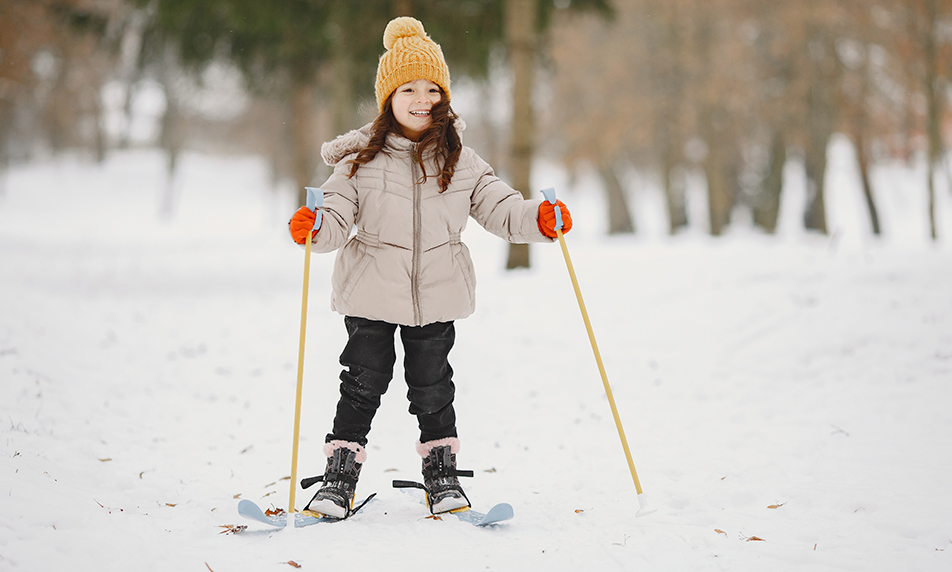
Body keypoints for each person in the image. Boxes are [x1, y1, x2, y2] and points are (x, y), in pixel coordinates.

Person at [287, 16, 572, 519]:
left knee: (433, 385)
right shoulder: (358, 163)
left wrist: (540, 220)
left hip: (438, 292)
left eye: (432, 89)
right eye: (409, 88)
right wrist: (314, 225)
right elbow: (333, 220)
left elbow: (502, 210)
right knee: (362, 381)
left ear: (444, 97)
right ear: (388, 98)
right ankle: (339, 476)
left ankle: (440, 473)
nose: (422, 99)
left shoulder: (461, 161)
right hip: (371, 292)